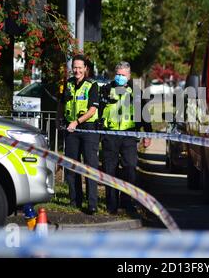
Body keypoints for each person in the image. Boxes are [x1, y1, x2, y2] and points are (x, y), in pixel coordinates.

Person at [100, 61, 152, 215]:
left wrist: (147, 134)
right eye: (118, 74)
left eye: (123, 75)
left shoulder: (136, 92)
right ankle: (112, 204)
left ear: (129, 76)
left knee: (130, 167)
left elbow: (144, 114)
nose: (120, 77)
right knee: (110, 169)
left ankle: (127, 201)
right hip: (110, 135)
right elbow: (98, 111)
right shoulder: (106, 90)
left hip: (128, 136)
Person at [57, 54, 100, 214]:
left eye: (80, 67)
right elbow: (61, 103)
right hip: (71, 129)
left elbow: (92, 110)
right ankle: (75, 201)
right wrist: (58, 119)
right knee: (71, 166)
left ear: (85, 69)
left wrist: (77, 122)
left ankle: (92, 203)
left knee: (90, 166)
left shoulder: (92, 85)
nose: (77, 70)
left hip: (87, 128)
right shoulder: (67, 84)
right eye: (74, 67)